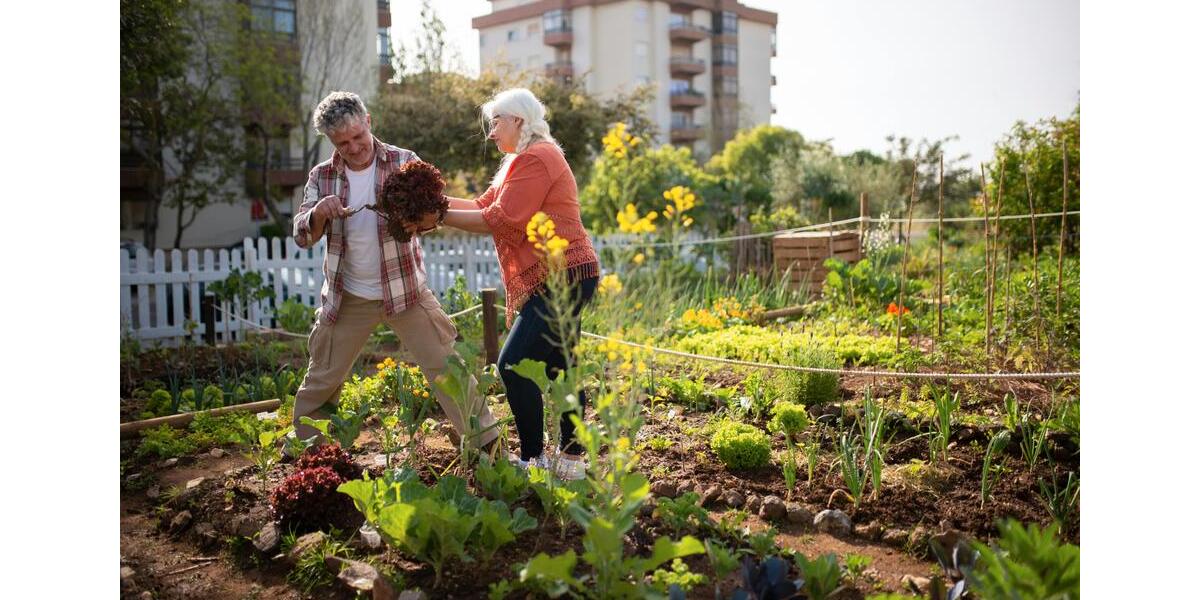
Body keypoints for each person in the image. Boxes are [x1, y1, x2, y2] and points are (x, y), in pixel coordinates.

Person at [291, 91, 497, 450]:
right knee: (322, 380)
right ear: (331, 141)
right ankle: (309, 459)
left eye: (358, 136)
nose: (354, 147)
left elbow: (433, 216)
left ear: (368, 122)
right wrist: (318, 213)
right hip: (348, 297)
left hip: (406, 292)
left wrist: (418, 216)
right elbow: (302, 235)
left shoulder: (404, 162)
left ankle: (489, 451)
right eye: (343, 143)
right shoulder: (321, 176)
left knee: (450, 372)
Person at [441, 88, 600, 480]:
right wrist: (432, 203)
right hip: (566, 274)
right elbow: (483, 206)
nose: (491, 132)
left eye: (496, 122)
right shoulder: (522, 160)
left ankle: (535, 459)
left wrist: (436, 214)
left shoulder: (538, 157)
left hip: (562, 276)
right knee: (564, 367)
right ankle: (572, 460)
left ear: (519, 121)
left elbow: (502, 220)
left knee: (512, 365)